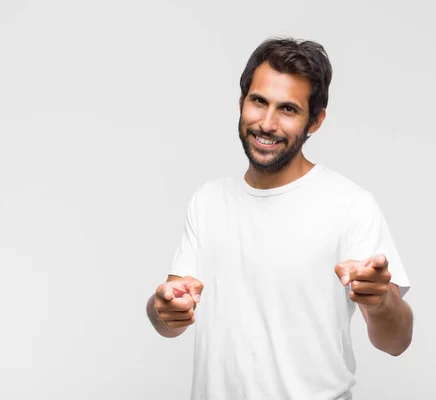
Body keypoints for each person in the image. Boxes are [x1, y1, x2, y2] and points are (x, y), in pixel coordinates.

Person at [146, 37, 413, 400]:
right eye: (259, 102)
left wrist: (380, 302)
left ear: (315, 121)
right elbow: (168, 318)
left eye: (288, 109)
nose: (267, 123)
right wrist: (163, 308)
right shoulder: (208, 201)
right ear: (242, 103)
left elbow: (396, 342)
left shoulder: (350, 205)